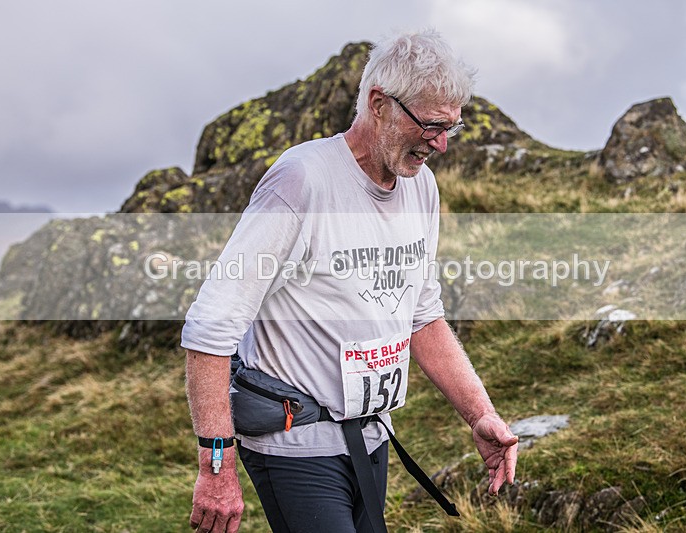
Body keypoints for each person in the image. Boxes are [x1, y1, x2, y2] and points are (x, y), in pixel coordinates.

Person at [181, 29, 519, 533]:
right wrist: (216, 468)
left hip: (371, 439)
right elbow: (209, 330)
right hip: (296, 448)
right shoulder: (303, 180)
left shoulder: (420, 187)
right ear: (379, 104)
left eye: (453, 127)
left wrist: (480, 415)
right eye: (430, 125)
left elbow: (422, 319)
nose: (442, 144)